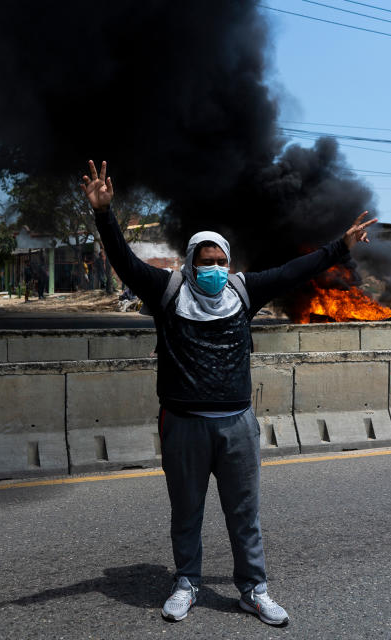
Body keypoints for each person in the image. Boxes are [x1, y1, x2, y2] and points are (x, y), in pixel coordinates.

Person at [81, 160, 376, 626]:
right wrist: (103, 214)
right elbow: (124, 260)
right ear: (192, 262)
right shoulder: (167, 291)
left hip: (237, 423)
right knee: (187, 512)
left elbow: (294, 271)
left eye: (222, 262)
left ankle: (253, 590)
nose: (216, 269)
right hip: (182, 424)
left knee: (245, 514)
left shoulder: (243, 292)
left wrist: (340, 246)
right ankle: (187, 583)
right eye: (208, 262)